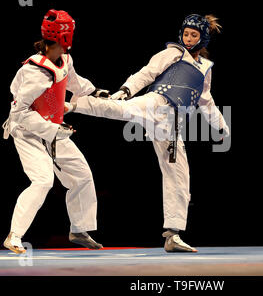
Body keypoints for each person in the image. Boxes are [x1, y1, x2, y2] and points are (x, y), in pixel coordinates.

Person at [66, 14, 230, 253]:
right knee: (118, 109)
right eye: (186, 33)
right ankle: (73, 104)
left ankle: (173, 235)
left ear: (203, 38)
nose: (188, 38)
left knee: (179, 173)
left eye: (194, 35)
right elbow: (146, 73)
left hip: (172, 122)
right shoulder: (172, 53)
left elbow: (206, 101)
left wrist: (221, 125)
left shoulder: (205, 68)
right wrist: (125, 90)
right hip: (156, 102)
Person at [2, 9, 107, 254]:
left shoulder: (64, 59)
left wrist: (94, 91)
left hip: (54, 129)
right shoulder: (34, 72)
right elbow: (19, 114)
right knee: (43, 180)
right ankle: (14, 236)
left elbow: (72, 81)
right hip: (28, 133)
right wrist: (52, 129)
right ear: (64, 36)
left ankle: (79, 229)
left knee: (81, 174)